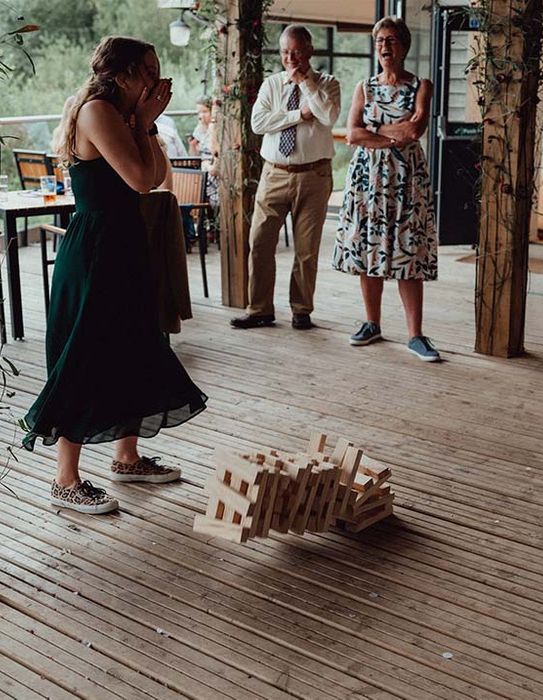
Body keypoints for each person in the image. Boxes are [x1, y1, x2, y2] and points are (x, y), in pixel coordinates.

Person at [22, 36, 208, 514]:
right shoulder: (97, 111)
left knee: (136, 346)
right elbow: (139, 179)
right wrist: (144, 122)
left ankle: (126, 457)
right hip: (95, 250)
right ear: (122, 73)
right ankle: (65, 479)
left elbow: (161, 174)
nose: (156, 79)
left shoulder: (128, 117)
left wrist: (147, 125)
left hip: (126, 247)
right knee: (84, 354)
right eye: (148, 70)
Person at [333, 16, 440, 362]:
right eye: (380, 41)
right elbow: (351, 134)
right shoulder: (364, 87)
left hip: (407, 178)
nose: (384, 47)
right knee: (368, 248)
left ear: (404, 46)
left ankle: (415, 335)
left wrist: (373, 130)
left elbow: (414, 131)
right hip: (368, 179)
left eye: (391, 40)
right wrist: (387, 132)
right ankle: (371, 323)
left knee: (409, 250)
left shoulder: (421, 85)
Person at [230, 24, 340, 331]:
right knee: (261, 242)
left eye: (297, 52)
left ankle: (301, 310)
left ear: (309, 51)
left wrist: (305, 84)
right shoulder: (271, 85)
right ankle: (259, 309)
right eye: (285, 52)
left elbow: (328, 116)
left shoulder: (328, 83)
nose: (290, 58)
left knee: (306, 249)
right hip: (274, 174)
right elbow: (258, 123)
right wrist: (296, 116)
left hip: (314, 176)